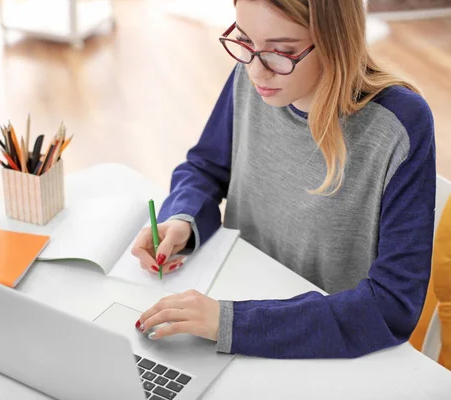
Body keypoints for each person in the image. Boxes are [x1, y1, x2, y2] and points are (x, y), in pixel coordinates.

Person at [130, 0, 436, 359]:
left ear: (336, 39)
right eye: (245, 40)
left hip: (318, 347)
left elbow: (392, 305)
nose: (258, 72)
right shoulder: (250, 75)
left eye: (281, 52)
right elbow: (205, 168)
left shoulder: (400, 125)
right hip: (229, 306)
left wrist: (234, 323)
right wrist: (183, 218)